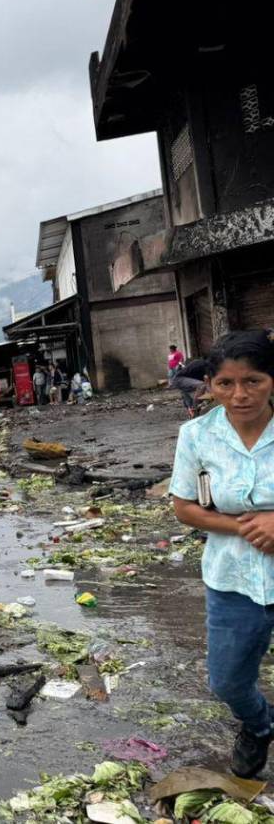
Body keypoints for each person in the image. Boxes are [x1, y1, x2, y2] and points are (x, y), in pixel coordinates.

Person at [170, 330, 274, 779]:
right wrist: (246, 527)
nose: (240, 395)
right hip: (232, 578)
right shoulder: (197, 435)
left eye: (253, 381)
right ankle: (260, 725)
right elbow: (185, 507)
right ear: (209, 385)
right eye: (226, 383)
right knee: (227, 680)